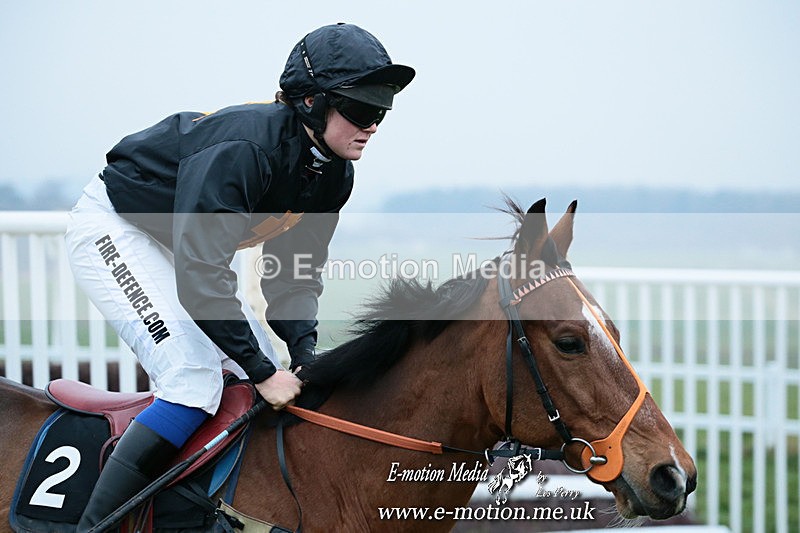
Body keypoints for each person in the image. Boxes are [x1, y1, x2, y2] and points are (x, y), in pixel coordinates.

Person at [65, 22, 414, 531]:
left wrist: (304, 354)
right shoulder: (246, 151)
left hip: (183, 246)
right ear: (312, 103)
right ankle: (95, 526)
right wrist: (260, 369)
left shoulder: (333, 172)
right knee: (193, 379)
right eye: (361, 109)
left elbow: (292, 275)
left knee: (269, 368)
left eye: (382, 110)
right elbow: (202, 272)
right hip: (117, 229)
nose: (374, 124)